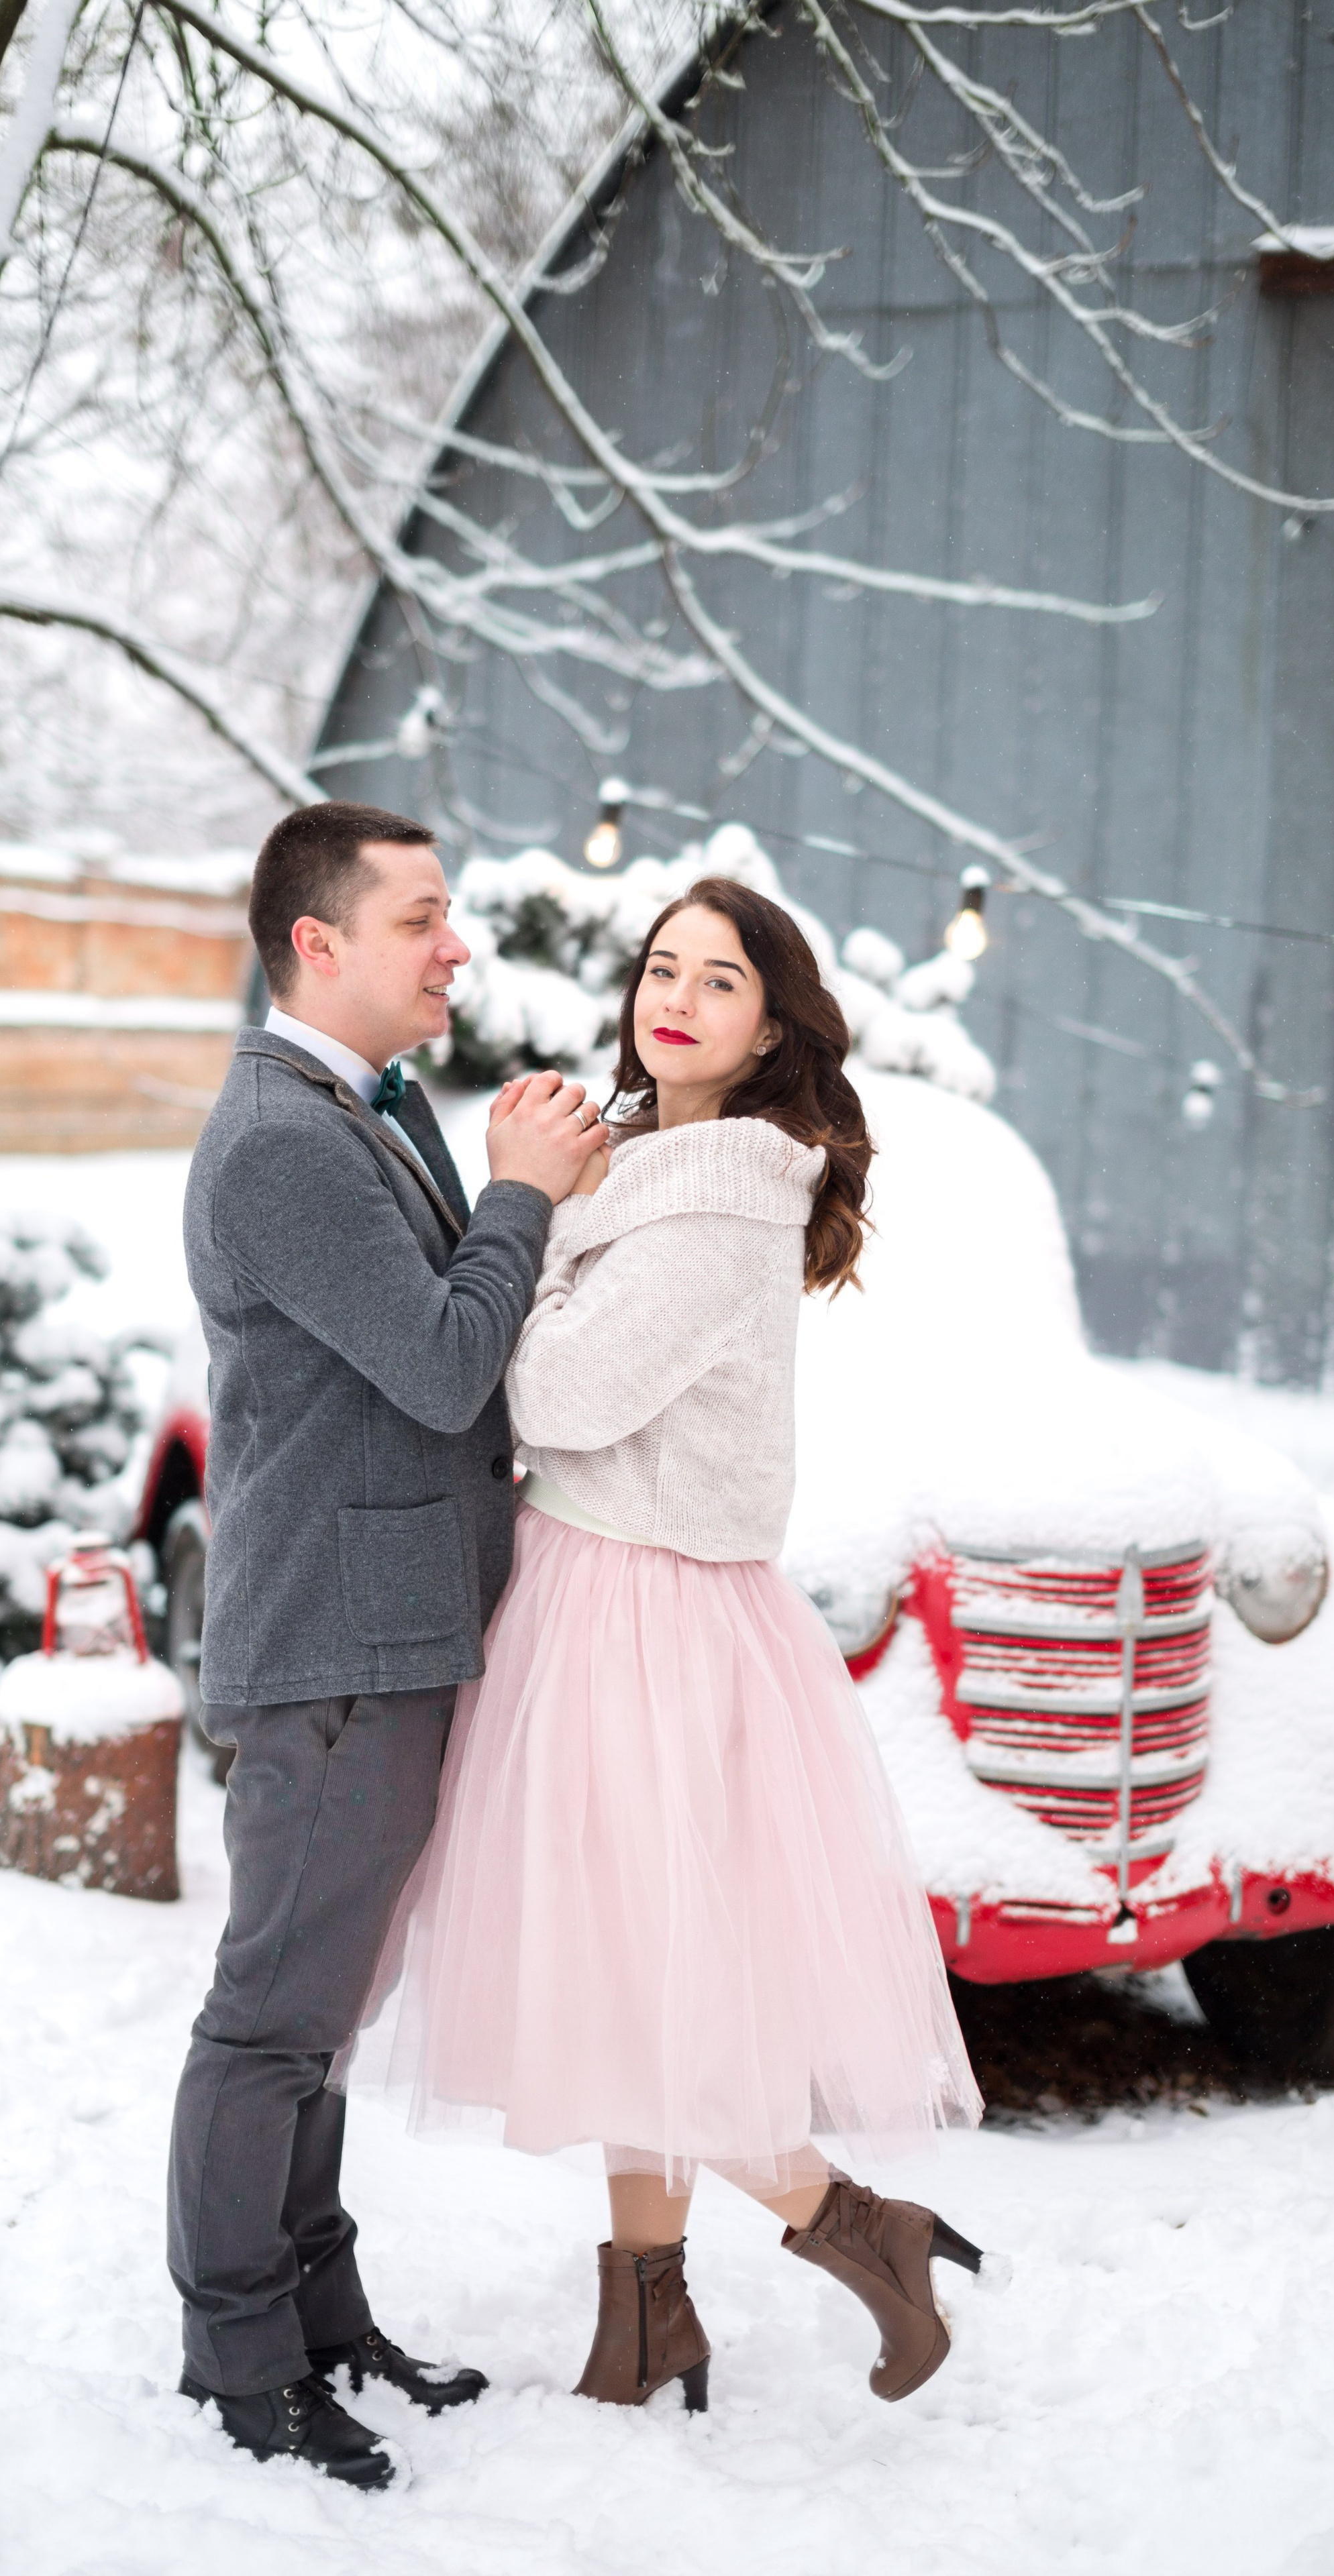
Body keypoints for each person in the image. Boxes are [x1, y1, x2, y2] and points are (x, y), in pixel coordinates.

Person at [361, 875, 985, 2415]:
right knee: (623, 1972)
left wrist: (527, 1228)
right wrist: (560, 1207)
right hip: (597, 1589)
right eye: (661, 967)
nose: (678, 997)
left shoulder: (714, 1196)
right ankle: (646, 2320)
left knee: (646, 1986)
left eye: (720, 981)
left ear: (772, 1027)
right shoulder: (644, 1162)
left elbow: (563, 1399)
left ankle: (854, 2226)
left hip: (644, 1614)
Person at [168, 800, 607, 2488]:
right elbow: (440, 1366)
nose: (456, 945)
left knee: (321, 2020)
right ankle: (239, 2359)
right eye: (422, 917)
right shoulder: (281, 1139)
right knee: (273, 2019)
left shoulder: (356, 1108)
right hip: (331, 1652)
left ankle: (320, 2316)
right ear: (318, 945)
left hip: (386, 1633)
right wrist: (518, 1194)